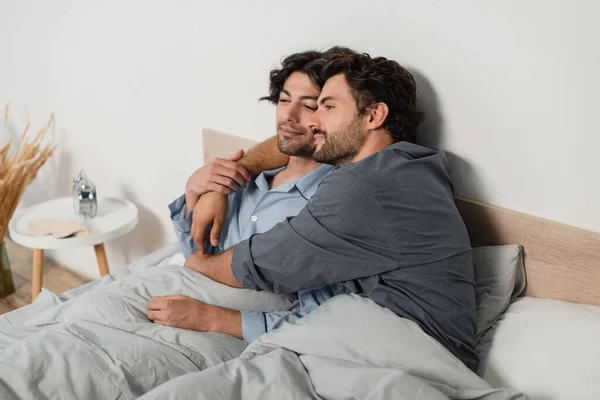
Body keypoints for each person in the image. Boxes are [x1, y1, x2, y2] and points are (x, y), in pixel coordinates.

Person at [161, 50, 480, 372]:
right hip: (366, 344)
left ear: (373, 116)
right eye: (286, 101)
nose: (312, 120)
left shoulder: (363, 187)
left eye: (326, 107)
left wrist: (199, 267)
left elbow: (263, 264)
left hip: (402, 360)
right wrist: (221, 181)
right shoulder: (408, 168)